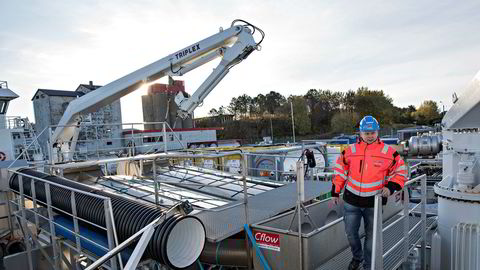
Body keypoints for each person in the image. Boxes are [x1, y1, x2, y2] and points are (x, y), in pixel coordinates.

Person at [330, 115, 407, 270]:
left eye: (373, 133)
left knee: (372, 238)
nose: (370, 136)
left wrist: (391, 187)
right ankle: (357, 257)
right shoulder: (349, 151)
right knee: (351, 234)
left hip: (374, 203)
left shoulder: (388, 152)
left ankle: (368, 266)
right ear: (360, 133)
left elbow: (401, 171)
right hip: (351, 202)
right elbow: (340, 172)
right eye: (366, 133)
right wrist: (335, 191)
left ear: (377, 132)